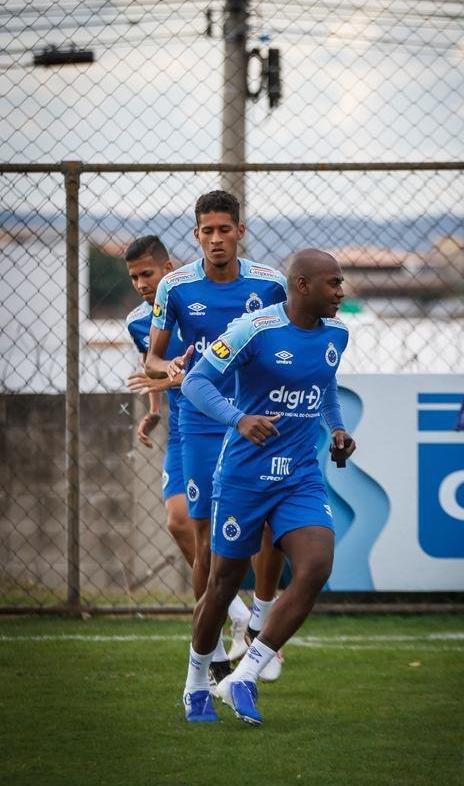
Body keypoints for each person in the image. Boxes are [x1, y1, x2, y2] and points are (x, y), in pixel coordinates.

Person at [179, 248, 356, 724]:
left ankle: (246, 675)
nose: (341, 292)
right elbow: (196, 383)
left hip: (299, 476)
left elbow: (326, 384)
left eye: (341, 283)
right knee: (221, 585)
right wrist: (239, 420)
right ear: (302, 286)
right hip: (243, 478)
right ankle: (197, 680)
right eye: (333, 284)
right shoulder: (252, 329)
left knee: (316, 566)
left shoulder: (338, 333)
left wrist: (337, 428)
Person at [145, 190, 290, 683]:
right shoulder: (175, 287)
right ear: (196, 235)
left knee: (267, 526)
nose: (216, 239)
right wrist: (172, 367)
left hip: (256, 419)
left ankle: (260, 629)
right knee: (206, 539)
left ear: (240, 232)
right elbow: (153, 359)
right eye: (207, 231)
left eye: (224, 229)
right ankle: (205, 664)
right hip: (202, 421)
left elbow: (287, 340)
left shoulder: (269, 284)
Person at [125, 235, 195, 567]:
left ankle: (263, 608)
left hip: (227, 425)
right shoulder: (137, 321)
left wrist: (173, 380)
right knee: (179, 520)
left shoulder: (199, 308)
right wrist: (154, 409)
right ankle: (234, 612)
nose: (140, 284)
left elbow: (220, 373)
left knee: (242, 523)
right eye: (134, 277)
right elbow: (151, 363)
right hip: (183, 430)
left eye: (147, 275)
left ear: (167, 269)